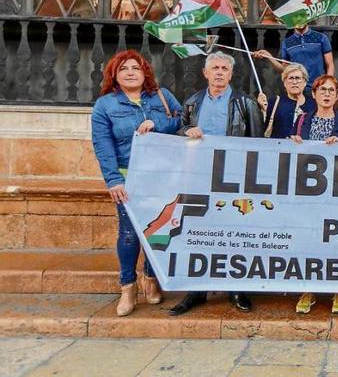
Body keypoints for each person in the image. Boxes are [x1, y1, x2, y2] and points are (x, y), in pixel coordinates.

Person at [170, 52, 265, 316]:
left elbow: (257, 143)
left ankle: (236, 288)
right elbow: (178, 135)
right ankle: (197, 290)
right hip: (199, 178)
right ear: (205, 73)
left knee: (235, 232)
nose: (220, 72)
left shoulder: (245, 103)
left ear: (231, 74)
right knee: (198, 231)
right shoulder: (192, 103)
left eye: (225, 68)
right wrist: (186, 131)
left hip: (234, 179)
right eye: (215, 68)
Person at [91, 50, 182, 317]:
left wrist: (158, 123)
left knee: (159, 229)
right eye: (124, 69)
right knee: (130, 234)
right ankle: (127, 287)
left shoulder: (161, 96)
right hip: (128, 176)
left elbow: (182, 120)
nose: (130, 72)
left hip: (164, 174)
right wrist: (113, 180)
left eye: (136, 68)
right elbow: (102, 145)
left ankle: (151, 279)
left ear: (145, 73)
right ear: (114, 75)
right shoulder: (105, 105)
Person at [291, 74, 338, 314]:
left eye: (331, 90)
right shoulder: (302, 121)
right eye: (323, 90)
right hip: (308, 194)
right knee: (308, 241)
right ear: (314, 94)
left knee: (336, 243)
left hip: (336, 192)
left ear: (337, 95)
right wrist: (295, 143)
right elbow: (288, 154)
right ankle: (308, 289)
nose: (327, 94)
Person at [253, 22, 334, 89]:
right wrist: (268, 55)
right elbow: (284, 69)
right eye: (295, 18)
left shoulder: (321, 37)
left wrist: (328, 84)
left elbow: (329, 64)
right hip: (298, 89)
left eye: (301, 16)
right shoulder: (287, 42)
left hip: (318, 87)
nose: (299, 20)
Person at [256, 63, 316, 138]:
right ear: (284, 83)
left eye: (297, 78)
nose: (294, 82)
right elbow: (261, 128)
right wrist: (262, 109)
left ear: (305, 82)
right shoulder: (274, 102)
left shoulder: (314, 104)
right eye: (291, 78)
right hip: (278, 148)